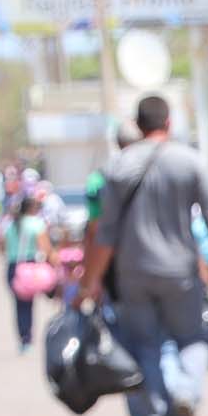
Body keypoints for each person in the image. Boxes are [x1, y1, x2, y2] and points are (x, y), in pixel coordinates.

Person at [81, 95, 208, 416]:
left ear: (138, 126)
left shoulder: (118, 166)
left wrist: (91, 281)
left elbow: (104, 233)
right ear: (169, 123)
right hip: (180, 270)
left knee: (147, 346)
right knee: (192, 339)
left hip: (132, 274)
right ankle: (186, 392)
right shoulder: (190, 161)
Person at [82, 122, 141, 303]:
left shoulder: (99, 178)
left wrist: (90, 279)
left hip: (115, 264)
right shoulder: (160, 172)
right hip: (156, 264)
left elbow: (95, 229)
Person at [2, 195, 51, 354]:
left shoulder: (10, 224)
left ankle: (24, 338)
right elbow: (45, 248)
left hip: (13, 266)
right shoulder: (36, 224)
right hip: (29, 266)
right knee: (29, 305)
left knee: (19, 305)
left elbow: (2, 245)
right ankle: (28, 337)